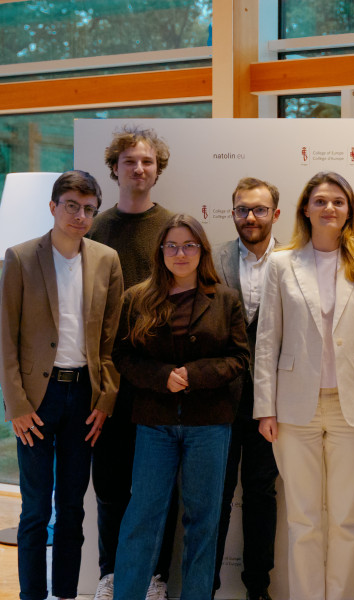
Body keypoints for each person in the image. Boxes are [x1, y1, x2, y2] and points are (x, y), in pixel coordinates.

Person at [253, 171, 354, 600]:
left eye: (338, 202)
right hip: (295, 409)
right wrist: (265, 408)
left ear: (349, 211)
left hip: (353, 407)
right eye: (320, 201)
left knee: (346, 520)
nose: (329, 208)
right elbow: (267, 340)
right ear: (305, 210)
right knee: (303, 520)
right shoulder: (281, 264)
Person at [111, 214, 249, 600]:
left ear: (202, 250)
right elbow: (122, 355)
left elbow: (239, 358)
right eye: (171, 245)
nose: (180, 253)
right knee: (142, 518)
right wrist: (161, 377)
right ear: (161, 251)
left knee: (203, 522)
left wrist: (193, 374)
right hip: (154, 423)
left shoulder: (225, 299)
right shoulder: (137, 297)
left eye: (189, 245)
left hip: (210, 426)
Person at [0, 171, 123, 600]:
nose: (80, 215)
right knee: (35, 509)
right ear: (53, 207)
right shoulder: (20, 257)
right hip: (38, 398)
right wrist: (16, 404)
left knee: (72, 508)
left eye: (89, 209)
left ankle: (66, 594)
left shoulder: (107, 260)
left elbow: (111, 340)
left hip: (85, 397)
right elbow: (6, 339)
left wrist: (106, 399)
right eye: (71, 205)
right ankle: (32, 595)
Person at [87, 125, 176, 600]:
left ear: (157, 170)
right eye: (129, 161)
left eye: (147, 162)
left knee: (160, 487)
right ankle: (111, 574)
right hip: (107, 381)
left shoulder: (175, 229)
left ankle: (155, 578)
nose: (139, 169)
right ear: (114, 168)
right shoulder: (94, 228)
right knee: (110, 485)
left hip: (159, 380)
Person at [212, 177, 282, 600]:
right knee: (214, 497)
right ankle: (206, 585)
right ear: (233, 212)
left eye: (259, 209)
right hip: (218, 400)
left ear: (275, 213)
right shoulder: (212, 258)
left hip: (272, 402)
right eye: (242, 209)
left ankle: (258, 587)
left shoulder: (295, 260)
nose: (250, 217)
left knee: (261, 494)